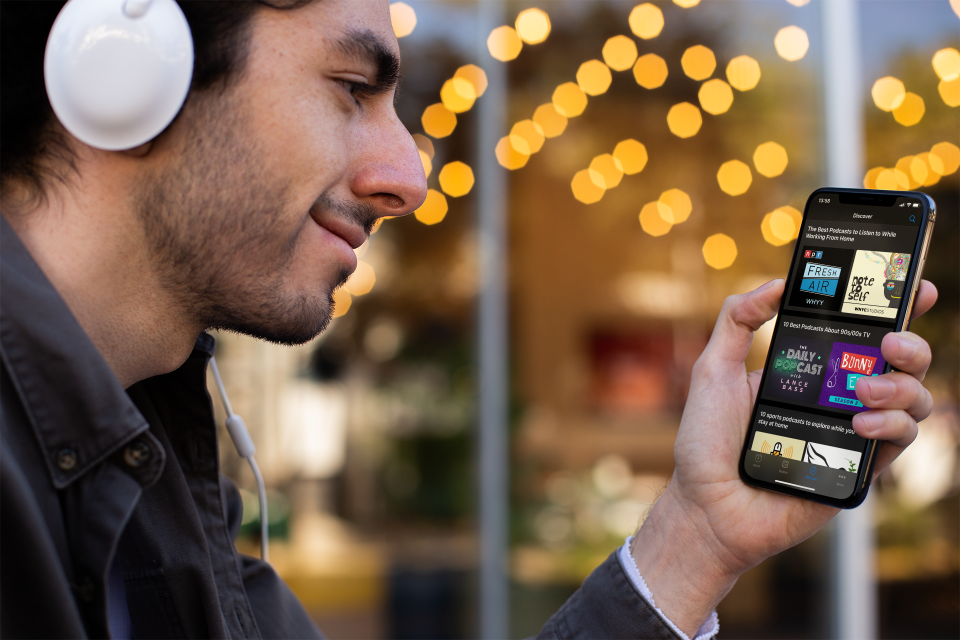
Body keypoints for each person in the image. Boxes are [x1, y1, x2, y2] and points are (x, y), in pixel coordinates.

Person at [0, 1, 936, 639]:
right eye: (352, 89)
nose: (407, 177)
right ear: (124, 66)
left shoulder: (161, 462)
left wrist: (700, 538)